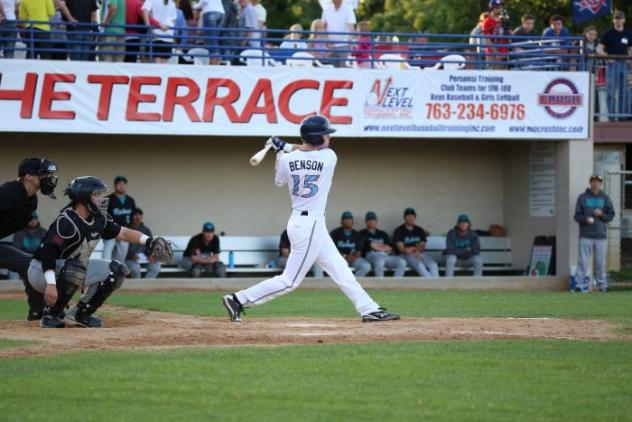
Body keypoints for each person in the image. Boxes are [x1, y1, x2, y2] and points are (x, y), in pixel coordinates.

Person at [222, 116, 400, 323]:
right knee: (290, 281)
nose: (328, 137)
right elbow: (308, 150)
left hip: (302, 223)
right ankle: (238, 299)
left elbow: (280, 179)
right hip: (310, 226)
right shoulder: (329, 156)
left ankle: (369, 308)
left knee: (339, 268)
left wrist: (280, 150)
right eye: (325, 134)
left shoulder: (288, 160)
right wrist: (286, 145)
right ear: (317, 138)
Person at [27, 176, 171, 328]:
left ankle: (81, 313)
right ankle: (51, 313)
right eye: (96, 194)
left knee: (117, 270)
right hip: (41, 271)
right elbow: (48, 252)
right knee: (77, 266)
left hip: (70, 268)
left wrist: (149, 241)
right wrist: (50, 284)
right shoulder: (67, 221)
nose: (101, 198)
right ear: (83, 197)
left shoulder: (99, 218)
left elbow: (123, 233)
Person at [0, 158, 57, 318]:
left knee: (30, 265)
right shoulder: (9, 192)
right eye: (42, 174)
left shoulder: (32, 201)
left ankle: (37, 311)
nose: (47, 178)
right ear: (28, 176)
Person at [573, 174, 615, 292]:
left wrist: (601, 214)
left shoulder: (605, 198)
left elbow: (611, 215)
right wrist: (586, 219)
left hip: (601, 236)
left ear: (600, 183)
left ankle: (602, 286)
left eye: (598, 182)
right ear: (590, 182)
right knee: (583, 261)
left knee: (600, 262)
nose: (596, 183)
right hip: (585, 235)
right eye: (593, 181)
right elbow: (577, 216)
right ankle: (578, 286)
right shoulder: (582, 197)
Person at [597, 11, 632, 120]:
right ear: (613, 20)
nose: (618, 20)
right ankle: (612, 117)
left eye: (620, 18)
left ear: (624, 20)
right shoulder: (607, 33)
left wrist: (630, 62)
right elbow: (599, 49)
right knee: (610, 92)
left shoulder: (629, 33)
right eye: (616, 18)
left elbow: (630, 49)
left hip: (625, 65)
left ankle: (623, 117)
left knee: (625, 93)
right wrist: (607, 57)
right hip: (612, 65)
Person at [393, 208, 438, 278]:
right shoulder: (399, 230)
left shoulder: (419, 230)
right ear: (404, 217)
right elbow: (402, 249)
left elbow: (422, 247)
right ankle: (433, 285)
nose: (410, 217)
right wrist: (414, 250)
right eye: (408, 216)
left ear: (415, 217)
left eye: (412, 215)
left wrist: (413, 249)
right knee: (420, 265)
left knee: (433, 264)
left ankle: (436, 284)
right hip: (405, 255)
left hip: (419, 254)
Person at [359, 211, 406, 278]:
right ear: (366, 221)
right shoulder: (362, 233)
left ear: (376, 221)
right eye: (369, 220)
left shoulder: (382, 233)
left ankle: (396, 284)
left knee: (402, 262)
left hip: (385, 255)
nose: (371, 221)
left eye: (373, 219)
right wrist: (382, 246)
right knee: (380, 261)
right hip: (371, 255)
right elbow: (369, 245)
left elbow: (390, 246)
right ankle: (379, 284)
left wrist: (376, 246)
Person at [103, 175, 137, 263]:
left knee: (121, 258)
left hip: (125, 232)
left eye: (123, 184)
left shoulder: (130, 200)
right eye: (119, 184)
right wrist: (114, 232)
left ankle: (117, 273)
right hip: (110, 231)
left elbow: (133, 218)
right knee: (107, 254)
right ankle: (104, 270)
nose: (121, 186)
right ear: (115, 185)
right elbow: (103, 218)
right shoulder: (108, 199)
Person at [330, 211, 372, 277]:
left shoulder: (357, 234)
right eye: (345, 219)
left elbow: (359, 250)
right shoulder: (335, 233)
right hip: (339, 258)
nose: (347, 221)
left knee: (366, 266)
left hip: (353, 258)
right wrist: (342, 257)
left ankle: (354, 282)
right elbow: (331, 248)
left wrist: (353, 257)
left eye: (349, 219)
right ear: (341, 221)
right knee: (335, 267)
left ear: (352, 221)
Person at [125, 208, 161, 279]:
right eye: (135, 216)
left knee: (156, 267)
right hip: (128, 259)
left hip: (144, 259)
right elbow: (122, 249)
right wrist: (130, 255)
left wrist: (151, 255)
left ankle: (145, 287)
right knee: (135, 268)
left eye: (140, 216)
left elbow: (150, 245)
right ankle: (136, 287)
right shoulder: (126, 230)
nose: (137, 218)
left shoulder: (146, 230)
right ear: (131, 216)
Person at [321, 0, 356, 67]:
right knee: (332, 72)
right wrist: (326, 41)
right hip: (330, 47)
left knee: (344, 71)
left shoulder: (348, 9)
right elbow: (323, 27)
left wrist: (351, 44)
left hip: (344, 46)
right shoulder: (326, 9)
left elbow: (351, 28)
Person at [481, 0, 509, 69]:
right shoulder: (487, 21)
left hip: (504, 53)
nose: (500, 9)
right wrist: (496, 52)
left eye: (501, 7)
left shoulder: (503, 20)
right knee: (493, 77)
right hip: (493, 54)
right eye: (498, 7)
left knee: (505, 77)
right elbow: (487, 40)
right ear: (492, 9)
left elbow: (507, 34)